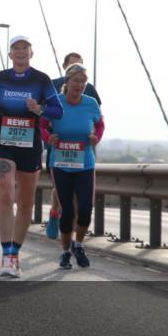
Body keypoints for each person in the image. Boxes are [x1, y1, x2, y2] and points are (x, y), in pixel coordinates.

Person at [0, 35, 63, 278]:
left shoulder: (41, 79)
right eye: (15, 49)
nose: (20, 52)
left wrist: (39, 109)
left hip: (29, 146)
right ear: (10, 55)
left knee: (26, 202)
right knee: (6, 194)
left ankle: (15, 252)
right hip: (2, 144)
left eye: (24, 48)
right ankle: (6, 255)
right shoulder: (0, 77)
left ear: (31, 53)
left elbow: (57, 111)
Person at [41, 63, 103, 269]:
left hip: (84, 164)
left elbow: (100, 123)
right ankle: (66, 252)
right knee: (67, 211)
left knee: (85, 209)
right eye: (76, 80)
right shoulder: (55, 102)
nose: (80, 85)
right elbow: (41, 124)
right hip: (60, 164)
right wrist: (48, 137)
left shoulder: (90, 103)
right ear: (66, 82)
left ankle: (79, 245)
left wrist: (96, 137)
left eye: (83, 81)